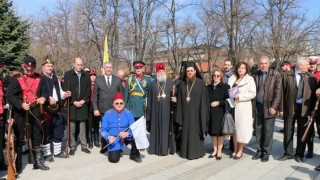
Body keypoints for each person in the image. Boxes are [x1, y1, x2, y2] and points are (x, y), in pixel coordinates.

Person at [7, 56, 49, 172]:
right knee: (20, 138)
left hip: (35, 111)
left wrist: (43, 97)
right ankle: (18, 165)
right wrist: (20, 104)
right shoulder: (16, 79)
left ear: (35, 68)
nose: (29, 71)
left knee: (37, 136)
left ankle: (38, 162)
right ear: (23, 67)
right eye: (27, 69)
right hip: (21, 112)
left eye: (31, 69)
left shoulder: (41, 78)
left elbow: (45, 91)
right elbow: (10, 95)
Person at [278, 57, 317, 163]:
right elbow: (280, 93)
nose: (309, 66)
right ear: (300, 65)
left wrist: (313, 110)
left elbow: (314, 96)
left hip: (304, 109)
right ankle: (288, 153)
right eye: (307, 65)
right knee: (287, 131)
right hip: (289, 107)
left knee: (302, 132)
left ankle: (299, 154)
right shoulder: (286, 75)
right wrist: (280, 109)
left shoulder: (311, 77)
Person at [176, 61, 209, 160]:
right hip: (185, 115)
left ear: (195, 71)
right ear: (185, 72)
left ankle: (198, 152)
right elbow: (179, 102)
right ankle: (185, 152)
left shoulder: (201, 83)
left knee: (196, 133)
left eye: (191, 71)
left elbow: (204, 101)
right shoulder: (182, 84)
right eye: (188, 71)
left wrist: (203, 114)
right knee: (185, 133)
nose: (190, 72)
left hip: (197, 115)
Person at [41, 58, 71, 162]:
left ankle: (57, 152)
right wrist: (48, 98)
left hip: (58, 107)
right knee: (47, 131)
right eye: (48, 66)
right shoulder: (41, 78)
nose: (50, 68)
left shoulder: (55, 78)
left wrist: (65, 94)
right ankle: (47, 153)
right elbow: (39, 94)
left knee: (58, 129)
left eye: (51, 66)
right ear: (43, 67)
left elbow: (60, 92)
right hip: (46, 108)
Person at [251, 56, 281, 162]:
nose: (263, 65)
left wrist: (274, 107)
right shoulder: (255, 74)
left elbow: (278, 93)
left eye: (265, 63)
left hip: (269, 107)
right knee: (258, 130)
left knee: (268, 131)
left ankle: (266, 152)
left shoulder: (275, 74)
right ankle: (259, 150)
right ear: (259, 64)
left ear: (269, 64)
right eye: (261, 63)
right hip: (258, 105)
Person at [227, 61, 256, 160]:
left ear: (246, 69)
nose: (241, 69)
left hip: (243, 107)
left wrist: (240, 96)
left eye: (243, 68)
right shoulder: (232, 78)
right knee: (234, 130)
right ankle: (235, 149)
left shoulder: (250, 79)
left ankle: (240, 151)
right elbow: (229, 91)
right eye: (239, 67)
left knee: (241, 130)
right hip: (233, 106)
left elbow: (253, 93)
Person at [92, 62, 123, 153]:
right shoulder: (98, 79)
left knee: (116, 127)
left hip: (115, 109)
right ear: (104, 69)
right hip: (102, 108)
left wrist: (121, 108)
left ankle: (118, 145)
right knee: (104, 128)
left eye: (110, 67)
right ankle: (104, 146)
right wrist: (95, 108)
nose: (108, 69)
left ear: (112, 68)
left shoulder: (117, 80)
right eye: (107, 67)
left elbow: (121, 95)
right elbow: (95, 95)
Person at [123, 61, 151, 163]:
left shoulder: (148, 80)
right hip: (130, 108)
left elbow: (150, 95)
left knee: (137, 133)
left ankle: (134, 154)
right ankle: (119, 147)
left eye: (140, 68)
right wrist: (125, 109)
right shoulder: (130, 79)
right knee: (128, 131)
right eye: (136, 68)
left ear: (143, 69)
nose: (138, 69)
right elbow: (126, 95)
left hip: (141, 109)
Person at [146, 63, 176, 156]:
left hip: (167, 112)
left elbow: (175, 96)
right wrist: (149, 114)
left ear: (165, 71)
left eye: (163, 71)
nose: (161, 73)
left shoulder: (171, 83)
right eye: (159, 71)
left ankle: (165, 149)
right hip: (155, 112)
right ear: (156, 72)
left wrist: (175, 100)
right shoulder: (152, 84)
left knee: (166, 130)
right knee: (155, 128)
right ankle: (154, 149)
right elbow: (149, 100)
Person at [63, 57, 91, 156]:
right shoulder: (68, 74)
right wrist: (74, 101)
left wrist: (83, 100)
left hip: (83, 104)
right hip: (72, 104)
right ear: (74, 64)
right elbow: (65, 88)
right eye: (78, 65)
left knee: (83, 126)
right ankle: (72, 146)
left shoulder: (86, 75)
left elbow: (88, 90)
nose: (79, 67)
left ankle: (84, 145)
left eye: (81, 65)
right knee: (72, 127)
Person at [100, 93, 135, 163]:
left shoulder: (128, 113)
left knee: (136, 136)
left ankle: (135, 155)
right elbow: (102, 130)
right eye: (117, 103)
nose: (119, 105)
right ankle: (105, 143)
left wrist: (128, 133)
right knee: (114, 160)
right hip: (113, 139)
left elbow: (134, 127)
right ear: (113, 104)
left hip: (125, 137)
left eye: (121, 103)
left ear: (124, 104)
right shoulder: (108, 113)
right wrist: (108, 137)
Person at [207, 68, 230, 160]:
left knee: (220, 133)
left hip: (221, 112)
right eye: (214, 75)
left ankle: (219, 151)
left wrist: (219, 103)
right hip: (211, 112)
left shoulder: (226, 87)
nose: (216, 77)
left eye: (218, 75)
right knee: (213, 133)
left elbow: (229, 100)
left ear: (221, 77)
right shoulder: (208, 87)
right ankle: (215, 150)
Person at [307, 56, 320, 158]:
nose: (312, 66)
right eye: (310, 64)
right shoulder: (305, 75)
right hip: (308, 107)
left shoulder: (319, 75)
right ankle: (310, 151)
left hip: (318, 107)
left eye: (314, 64)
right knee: (309, 130)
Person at [87, 70, 98, 149]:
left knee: (96, 124)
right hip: (89, 105)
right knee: (90, 125)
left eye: (94, 75)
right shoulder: (87, 85)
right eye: (91, 75)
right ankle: (90, 141)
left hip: (97, 106)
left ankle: (96, 140)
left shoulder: (98, 85)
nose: (93, 76)